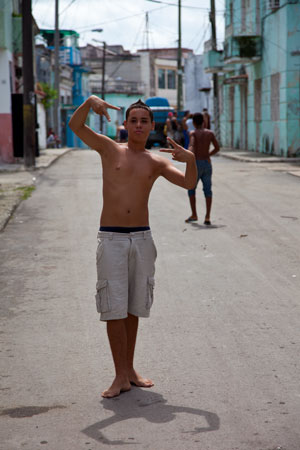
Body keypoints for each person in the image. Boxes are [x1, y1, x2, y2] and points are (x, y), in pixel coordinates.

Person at [69, 96, 197, 398]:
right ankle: (119, 376)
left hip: (141, 239)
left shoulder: (156, 161)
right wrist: (89, 102)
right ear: (125, 125)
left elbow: (189, 184)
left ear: (153, 126)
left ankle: (130, 370)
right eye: (133, 120)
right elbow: (75, 125)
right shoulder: (108, 147)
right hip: (111, 238)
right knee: (114, 308)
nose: (139, 125)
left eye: (144, 121)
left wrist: (191, 160)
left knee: (133, 308)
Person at [185, 112, 220, 225]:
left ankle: (194, 214)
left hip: (196, 164)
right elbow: (217, 148)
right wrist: (208, 155)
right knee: (208, 190)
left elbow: (192, 145)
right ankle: (207, 217)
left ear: (194, 123)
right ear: (203, 122)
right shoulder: (210, 133)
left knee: (191, 188)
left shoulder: (193, 133)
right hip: (207, 163)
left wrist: (189, 153)